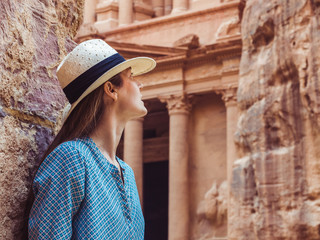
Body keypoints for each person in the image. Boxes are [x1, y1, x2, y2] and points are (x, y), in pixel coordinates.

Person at [27, 39, 156, 239]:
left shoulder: (127, 173)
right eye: (131, 76)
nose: (140, 83)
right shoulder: (71, 158)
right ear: (111, 89)